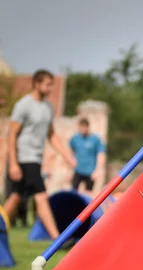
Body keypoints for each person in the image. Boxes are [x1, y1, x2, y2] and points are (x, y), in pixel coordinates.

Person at [4, 69, 77, 249]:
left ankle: (1, 226)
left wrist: (67, 155)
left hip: (35, 158)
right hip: (23, 158)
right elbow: (12, 134)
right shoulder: (24, 105)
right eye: (47, 84)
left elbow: (51, 135)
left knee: (15, 198)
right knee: (41, 197)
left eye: (52, 84)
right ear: (36, 84)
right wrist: (13, 163)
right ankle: (57, 239)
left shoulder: (47, 108)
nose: (50, 88)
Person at [69, 118, 106, 196]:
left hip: (90, 171)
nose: (83, 129)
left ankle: (87, 208)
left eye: (84, 127)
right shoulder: (75, 139)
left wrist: (97, 170)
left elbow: (101, 155)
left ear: (88, 127)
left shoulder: (95, 139)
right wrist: (69, 169)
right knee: (73, 192)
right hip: (78, 170)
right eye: (81, 127)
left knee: (88, 194)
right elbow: (71, 153)